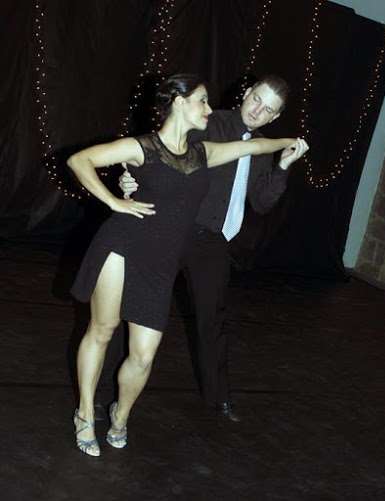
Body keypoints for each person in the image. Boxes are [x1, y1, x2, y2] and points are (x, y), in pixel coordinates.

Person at [67, 73, 302, 457]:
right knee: (103, 330)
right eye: (202, 100)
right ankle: (84, 414)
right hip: (124, 244)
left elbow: (256, 146)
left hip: (164, 257)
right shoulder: (145, 145)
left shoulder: (204, 152)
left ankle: (120, 414)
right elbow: (81, 160)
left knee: (144, 354)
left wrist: (291, 145)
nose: (209, 107)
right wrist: (115, 199)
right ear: (180, 103)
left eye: (269, 109)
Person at [120, 74, 309, 422]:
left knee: (214, 320)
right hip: (174, 228)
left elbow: (262, 203)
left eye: (268, 109)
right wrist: (132, 177)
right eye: (257, 99)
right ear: (246, 93)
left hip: (212, 241)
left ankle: (218, 397)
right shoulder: (210, 121)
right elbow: (168, 152)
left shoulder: (263, 148)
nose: (258, 111)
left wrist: (282, 166)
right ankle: (111, 389)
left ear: (275, 117)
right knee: (136, 309)